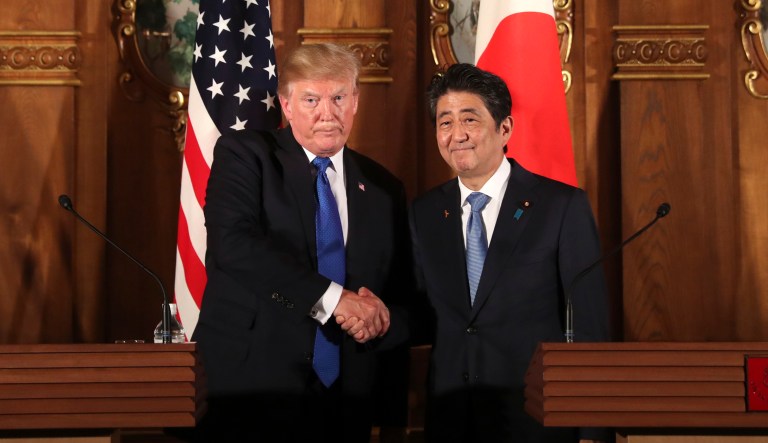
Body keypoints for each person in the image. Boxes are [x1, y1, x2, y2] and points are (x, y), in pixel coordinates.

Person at [192, 43, 412, 442]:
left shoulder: (384, 188)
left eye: (338, 98)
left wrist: (380, 317)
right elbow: (233, 246)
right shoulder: (245, 155)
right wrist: (333, 299)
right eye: (311, 99)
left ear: (355, 102)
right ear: (287, 104)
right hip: (252, 387)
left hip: (348, 398)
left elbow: (400, 292)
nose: (327, 113)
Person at [409, 63, 610, 442]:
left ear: (505, 129)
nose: (457, 135)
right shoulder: (425, 212)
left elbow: (589, 327)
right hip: (452, 420)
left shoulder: (561, 207)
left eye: (470, 119)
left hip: (536, 421)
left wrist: (592, 432)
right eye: (445, 122)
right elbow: (423, 315)